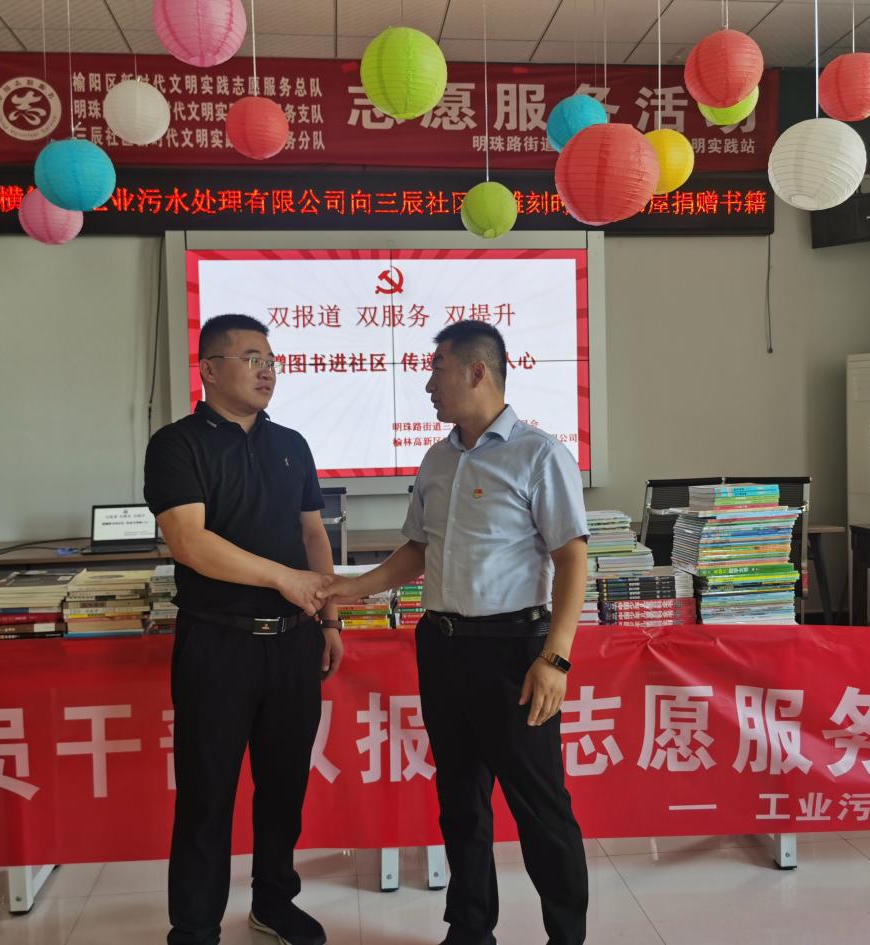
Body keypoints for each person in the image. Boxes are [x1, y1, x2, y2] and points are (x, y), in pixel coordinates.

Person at [325, 320, 590, 945]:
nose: (427, 385)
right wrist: (347, 589)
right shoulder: (437, 458)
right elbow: (417, 551)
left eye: (436, 370)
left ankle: (566, 936)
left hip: (513, 652)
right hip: (443, 647)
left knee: (540, 807)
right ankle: (470, 928)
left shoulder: (540, 454)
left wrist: (556, 659)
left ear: (477, 372)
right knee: (460, 798)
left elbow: (572, 558)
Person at [144, 313, 343, 945]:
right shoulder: (177, 444)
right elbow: (190, 542)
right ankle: (195, 926)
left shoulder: (292, 443)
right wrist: (283, 579)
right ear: (208, 369)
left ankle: (273, 903)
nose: (267, 371)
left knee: (284, 786)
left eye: (272, 360)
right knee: (208, 792)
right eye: (252, 358)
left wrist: (329, 617)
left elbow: (313, 534)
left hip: (293, 643)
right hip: (217, 642)